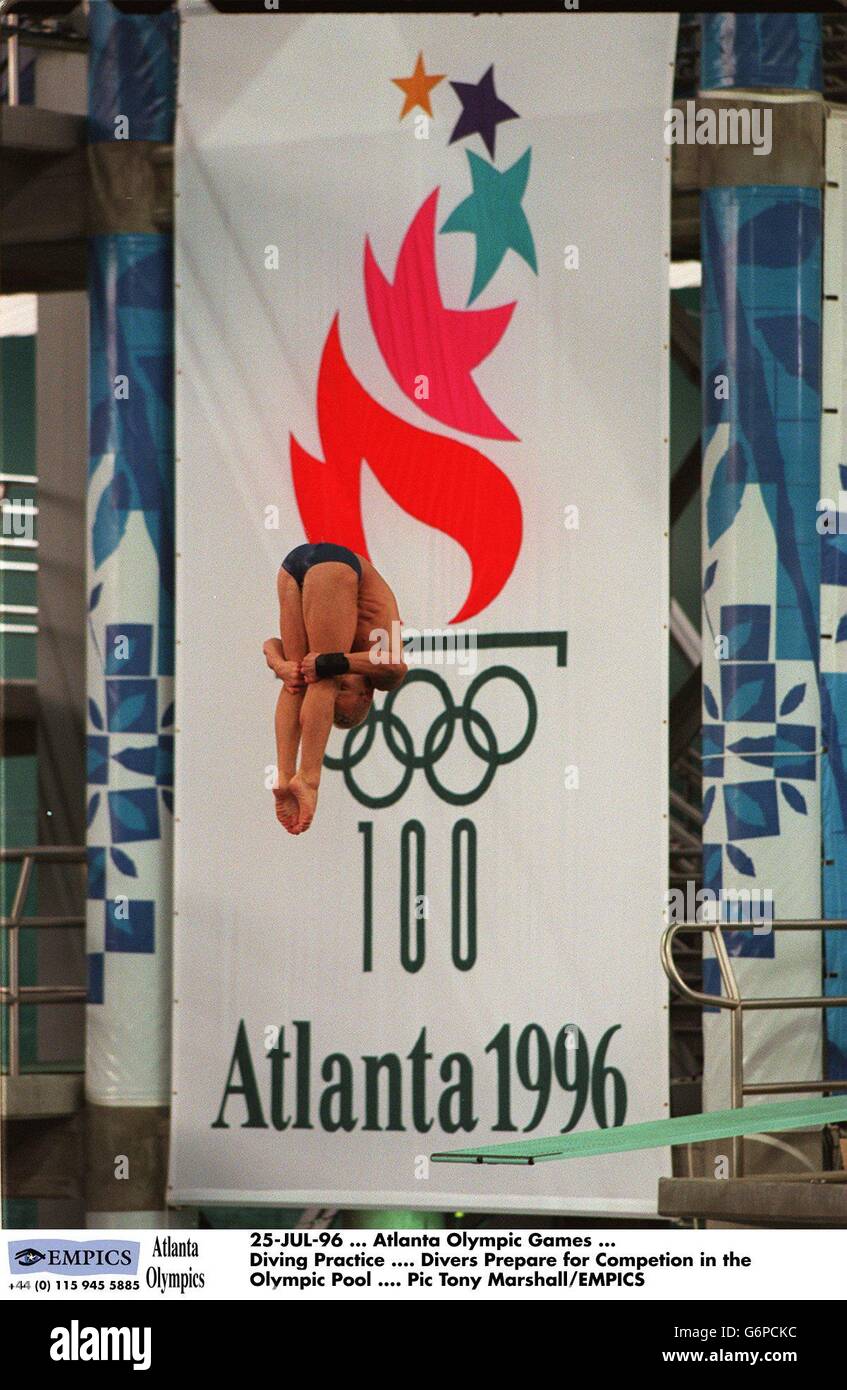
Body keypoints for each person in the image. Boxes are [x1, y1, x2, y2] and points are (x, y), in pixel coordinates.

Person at [262, 542, 408, 834]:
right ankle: (309, 779)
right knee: (322, 677)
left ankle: (285, 775)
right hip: (336, 566)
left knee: (297, 679)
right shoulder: (382, 678)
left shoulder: (341, 638)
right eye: (343, 692)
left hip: (292, 566)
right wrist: (333, 664)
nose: (337, 692)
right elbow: (396, 665)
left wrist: (280, 666)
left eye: (332, 701)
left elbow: (270, 644)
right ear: (365, 695)